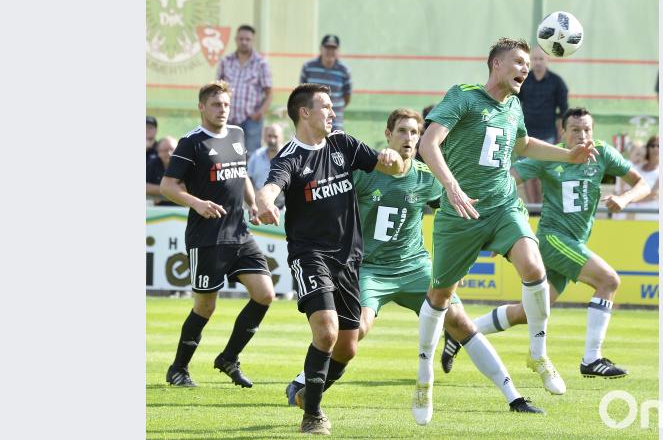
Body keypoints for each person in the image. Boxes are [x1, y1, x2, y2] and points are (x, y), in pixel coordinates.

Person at [282, 108, 542, 423]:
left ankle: (513, 397)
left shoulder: (427, 178)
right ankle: (304, 380)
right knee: (356, 330)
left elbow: (456, 212)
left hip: (414, 267)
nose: (409, 138)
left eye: (415, 132)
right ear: (388, 134)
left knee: (460, 322)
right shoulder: (365, 173)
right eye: (402, 131)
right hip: (369, 269)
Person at [414, 38, 598, 423]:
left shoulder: (514, 105)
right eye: (518, 62)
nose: (525, 69)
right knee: (440, 295)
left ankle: (538, 355)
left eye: (528, 64)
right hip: (459, 212)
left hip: (501, 206)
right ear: (495, 64)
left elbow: (524, 144)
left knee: (534, 268)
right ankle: (424, 377)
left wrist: (568, 155)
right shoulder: (463, 96)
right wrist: (450, 186)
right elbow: (429, 144)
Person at [440, 107, 650, 379]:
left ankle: (459, 332)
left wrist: (624, 199)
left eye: (587, 129)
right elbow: (509, 179)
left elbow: (642, 183)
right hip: (553, 238)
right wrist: (498, 224)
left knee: (527, 313)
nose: (582, 135)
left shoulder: (602, 153)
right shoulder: (550, 157)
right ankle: (592, 359)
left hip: (574, 240)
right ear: (563, 132)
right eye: (575, 130)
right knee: (609, 280)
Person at [255, 83, 404, 435]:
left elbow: (395, 168)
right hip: (311, 256)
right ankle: (313, 416)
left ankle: (305, 393)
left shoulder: (343, 144)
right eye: (325, 106)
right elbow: (272, 187)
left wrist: (391, 157)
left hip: (350, 259)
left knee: (347, 347)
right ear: (304, 112)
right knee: (326, 331)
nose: (332, 112)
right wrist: (263, 201)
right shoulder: (290, 157)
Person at [159, 81, 276, 389]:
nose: (221, 110)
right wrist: (197, 203)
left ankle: (229, 358)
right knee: (205, 307)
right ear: (201, 107)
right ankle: (178, 369)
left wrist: (253, 205)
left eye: (225, 104)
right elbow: (168, 186)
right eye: (215, 104)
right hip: (207, 238)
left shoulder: (237, 135)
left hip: (240, 234)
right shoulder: (191, 142)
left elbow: (242, 175)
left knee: (265, 294)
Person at [516, 47, 569, 204]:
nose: (538, 62)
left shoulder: (557, 82)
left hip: (548, 135)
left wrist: (561, 134)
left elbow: (563, 111)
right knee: (527, 174)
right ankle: (533, 209)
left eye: (541, 59)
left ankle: (542, 207)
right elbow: (512, 101)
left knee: (543, 174)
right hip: (525, 135)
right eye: (535, 59)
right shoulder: (523, 80)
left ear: (547, 60)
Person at [216, 24, 273, 156]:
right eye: (241, 39)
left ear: (252, 41)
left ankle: (249, 178)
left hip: (251, 120)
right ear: (236, 39)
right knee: (225, 156)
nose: (244, 42)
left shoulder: (261, 63)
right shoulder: (226, 62)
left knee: (251, 156)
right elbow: (217, 89)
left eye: (247, 39)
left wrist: (258, 114)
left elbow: (269, 94)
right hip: (227, 118)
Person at [299, 35, 352, 131]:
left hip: (335, 123)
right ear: (321, 48)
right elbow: (302, 94)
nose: (330, 51)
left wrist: (329, 108)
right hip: (312, 121)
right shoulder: (308, 67)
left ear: (338, 51)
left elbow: (347, 97)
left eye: (333, 48)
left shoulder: (344, 70)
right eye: (327, 48)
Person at [615, 135, 659, 220]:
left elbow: (654, 195)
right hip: (628, 214)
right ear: (648, 149)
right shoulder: (636, 167)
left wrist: (627, 199)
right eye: (653, 145)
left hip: (650, 216)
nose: (656, 149)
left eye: (659, 146)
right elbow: (622, 182)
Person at [247, 123, 285, 190]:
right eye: (269, 136)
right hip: (258, 197)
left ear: (282, 138)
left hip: (282, 199)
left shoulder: (288, 157)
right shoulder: (257, 155)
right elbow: (248, 178)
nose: (272, 140)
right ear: (265, 137)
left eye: (275, 137)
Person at [146, 136, 179, 206]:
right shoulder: (152, 164)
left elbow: (187, 189)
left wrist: (159, 191)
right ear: (158, 152)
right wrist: (172, 190)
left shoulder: (186, 164)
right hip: (159, 209)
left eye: (172, 149)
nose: (169, 153)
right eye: (165, 150)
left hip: (182, 208)